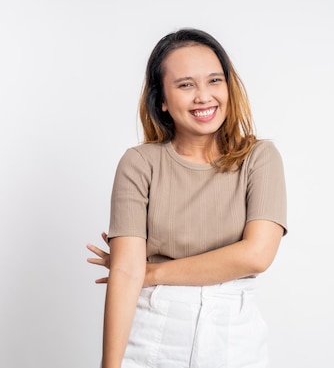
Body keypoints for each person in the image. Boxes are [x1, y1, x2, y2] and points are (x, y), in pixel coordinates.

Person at [87, 28, 287, 368]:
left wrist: (148, 273)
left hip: (233, 336)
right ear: (162, 99)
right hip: (153, 328)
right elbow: (125, 273)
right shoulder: (139, 164)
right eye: (185, 85)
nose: (203, 96)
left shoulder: (259, 157)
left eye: (214, 81)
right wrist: (110, 365)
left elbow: (256, 255)